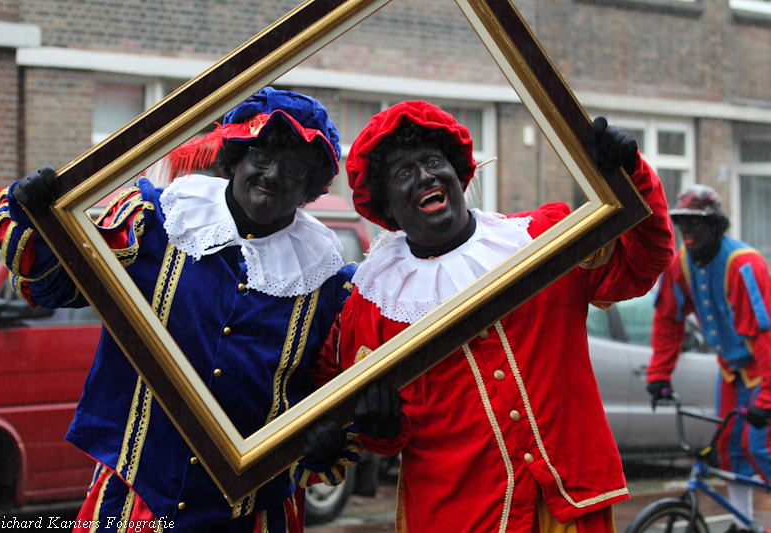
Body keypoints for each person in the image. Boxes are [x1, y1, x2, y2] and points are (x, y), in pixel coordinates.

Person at [0, 87, 362, 533]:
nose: (273, 174)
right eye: (261, 154)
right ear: (236, 158)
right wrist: (41, 215)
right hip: (135, 503)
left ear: (309, 185)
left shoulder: (327, 282)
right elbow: (55, 284)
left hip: (253, 516)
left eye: (295, 166)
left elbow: (332, 394)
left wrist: (324, 441)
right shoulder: (158, 222)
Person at [320, 101, 675, 533]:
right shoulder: (371, 305)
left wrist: (633, 177)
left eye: (434, 162)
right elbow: (371, 433)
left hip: (571, 507)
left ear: (458, 174)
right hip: (458, 518)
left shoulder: (543, 238)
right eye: (403, 172)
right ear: (388, 208)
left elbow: (641, 266)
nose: (425, 177)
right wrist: (379, 426)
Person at [646, 184, 771, 533]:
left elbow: (766, 338)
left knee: (759, 447)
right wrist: (659, 374)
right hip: (731, 372)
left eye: (697, 224)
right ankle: (741, 525)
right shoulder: (679, 266)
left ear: (716, 227)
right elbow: (668, 321)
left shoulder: (744, 266)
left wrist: (767, 399)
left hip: (765, 369)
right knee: (729, 448)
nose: (689, 233)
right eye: (684, 224)